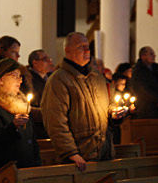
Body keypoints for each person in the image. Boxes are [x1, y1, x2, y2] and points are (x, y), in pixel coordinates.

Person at [41, 32, 121, 172]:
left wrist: (115, 113)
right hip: (79, 157)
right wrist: (71, 153)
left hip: (104, 152)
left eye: (87, 47)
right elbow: (55, 121)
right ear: (68, 51)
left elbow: (110, 102)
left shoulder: (97, 77)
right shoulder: (59, 80)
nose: (86, 51)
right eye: (81, 47)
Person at [0, 58, 41, 183]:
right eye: (15, 76)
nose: (20, 80)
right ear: (1, 80)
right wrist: (13, 127)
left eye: (20, 76)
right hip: (1, 174)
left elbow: (32, 140)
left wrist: (36, 164)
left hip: (25, 171)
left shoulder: (21, 106)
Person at [27, 49, 52, 139]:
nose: (49, 62)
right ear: (35, 63)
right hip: (39, 128)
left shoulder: (51, 77)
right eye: (45, 59)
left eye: (49, 59)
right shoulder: (29, 80)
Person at [131, 46, 158, 119]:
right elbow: (143, 90)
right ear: (143, 56)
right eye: (151, 54)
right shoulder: (138, 71)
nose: (154, 56)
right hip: (146, 108)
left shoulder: (155, 68)